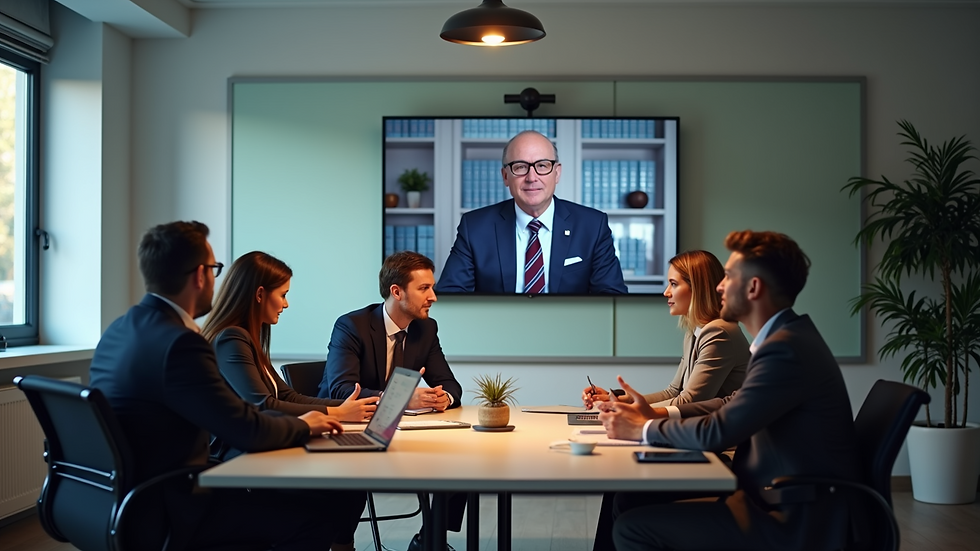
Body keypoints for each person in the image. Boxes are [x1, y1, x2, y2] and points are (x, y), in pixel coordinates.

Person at [89, 221, 360, 551]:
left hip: (119, 500)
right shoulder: (180, 344)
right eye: (215, 269)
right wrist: (304, 427)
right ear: (200, 275)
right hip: (171, 505)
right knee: (316, 519)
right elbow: (247, 428)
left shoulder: (121, 329)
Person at [598, 230, 866, 551]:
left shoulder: (786, 350)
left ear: (753, 288)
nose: (719, 286)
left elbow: (719, 431)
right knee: (627, 497)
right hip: (776, 496)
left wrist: (645, 428)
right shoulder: (784, 339)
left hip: (793, 517)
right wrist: (648, 418)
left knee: (632, 528)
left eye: (728, 276)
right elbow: (727, 404)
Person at [582, 249, 750, 551]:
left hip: (722, 453)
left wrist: (638, 415)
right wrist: (617, 398)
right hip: (700, 442)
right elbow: (674, 391)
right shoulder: (696, 331)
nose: (666, 293)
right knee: (619, 492)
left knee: (625, 495)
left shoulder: (719, 332)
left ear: (696, 287)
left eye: (674, 284)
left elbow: (690, 400)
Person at [317, 250, 465, 551]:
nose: (433, 297)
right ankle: (341, 544)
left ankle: (430, 538)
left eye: (432, 287)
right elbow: (341, 392)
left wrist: (442, 397)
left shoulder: (425, 329)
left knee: (461, 458)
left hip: (394, 431)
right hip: (344, 429)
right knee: (353, 475)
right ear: (396, 292)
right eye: (424, 288)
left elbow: (451, 385)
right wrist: (401, 399)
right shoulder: (351, 326)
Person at [436, 130, 627, 294]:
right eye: (520, 167)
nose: (531, 177)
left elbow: (612, 296)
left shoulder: (592, 225)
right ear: (505, 176)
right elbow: (451, 295)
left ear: (557, 173)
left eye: (542, 165)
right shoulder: (475, 227)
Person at [202, 251, 378, 421]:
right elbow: (264, 405)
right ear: (260, 294)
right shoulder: (231, 339)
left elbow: (288, 397)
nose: (286, 304)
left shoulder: (247, 339)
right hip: (236, 450)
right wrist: (337, 413)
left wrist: (347, 407)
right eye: (283, 295)